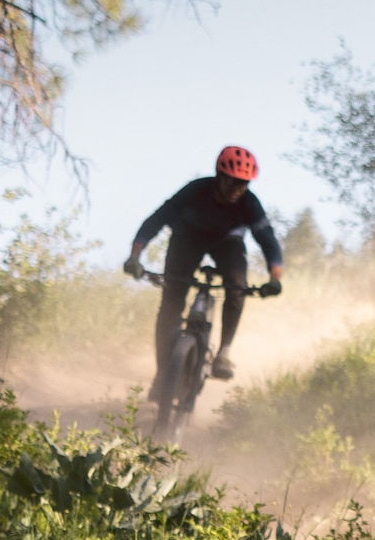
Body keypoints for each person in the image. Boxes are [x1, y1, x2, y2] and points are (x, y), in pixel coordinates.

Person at [122, 145, 285, 415]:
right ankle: (164, 373)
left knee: (237, 288)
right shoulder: (196, 190)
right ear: (219, 176)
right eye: (233, 181)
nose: (237, 188)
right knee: (172, 300)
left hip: (227, 242)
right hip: (188, 238)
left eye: (243, 183)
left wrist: (274, 277)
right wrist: (135, 256)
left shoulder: (249, 203)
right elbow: (157, 219)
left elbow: (267, 240)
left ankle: (224, 352)